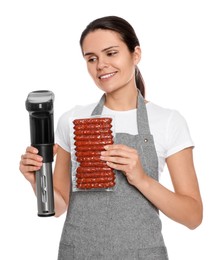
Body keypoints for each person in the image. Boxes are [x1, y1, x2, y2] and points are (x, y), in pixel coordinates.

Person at [19, 16, 203, 259]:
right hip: (79, 253)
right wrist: (36, 180)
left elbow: (193, 216)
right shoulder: (72, 120)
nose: (100, 65)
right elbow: (60, 206)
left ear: (135, 54)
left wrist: (141, 179)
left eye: (111, 53)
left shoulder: (168, 121)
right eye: (91, 58)